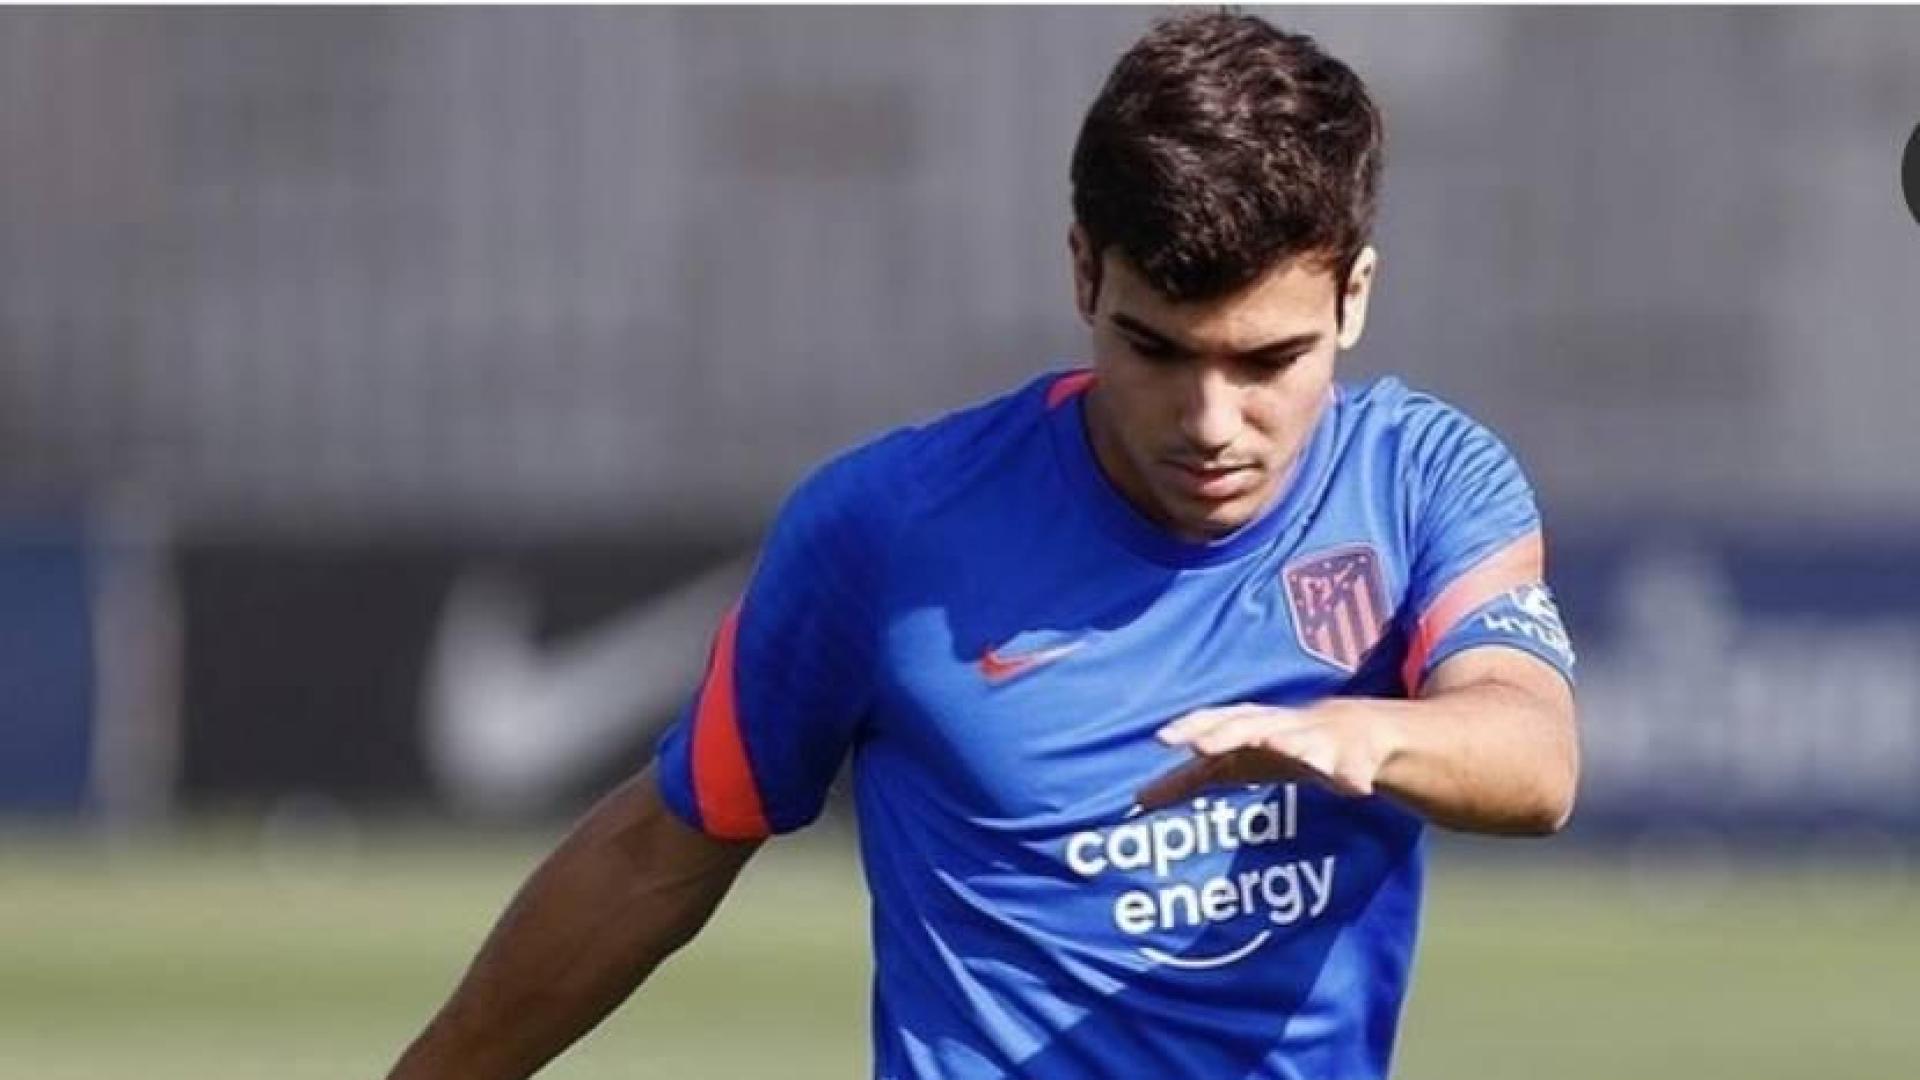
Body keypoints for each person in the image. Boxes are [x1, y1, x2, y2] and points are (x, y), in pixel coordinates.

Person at [387, 12, 1579, 1080]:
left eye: (1268, 362)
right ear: (1080, 274)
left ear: (1353, 297)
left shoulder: (1424, 482)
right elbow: (660, 851)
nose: (1212, 422)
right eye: (1156, 350)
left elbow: (1532, 756)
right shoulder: (885, 531)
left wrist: (1364, 731)